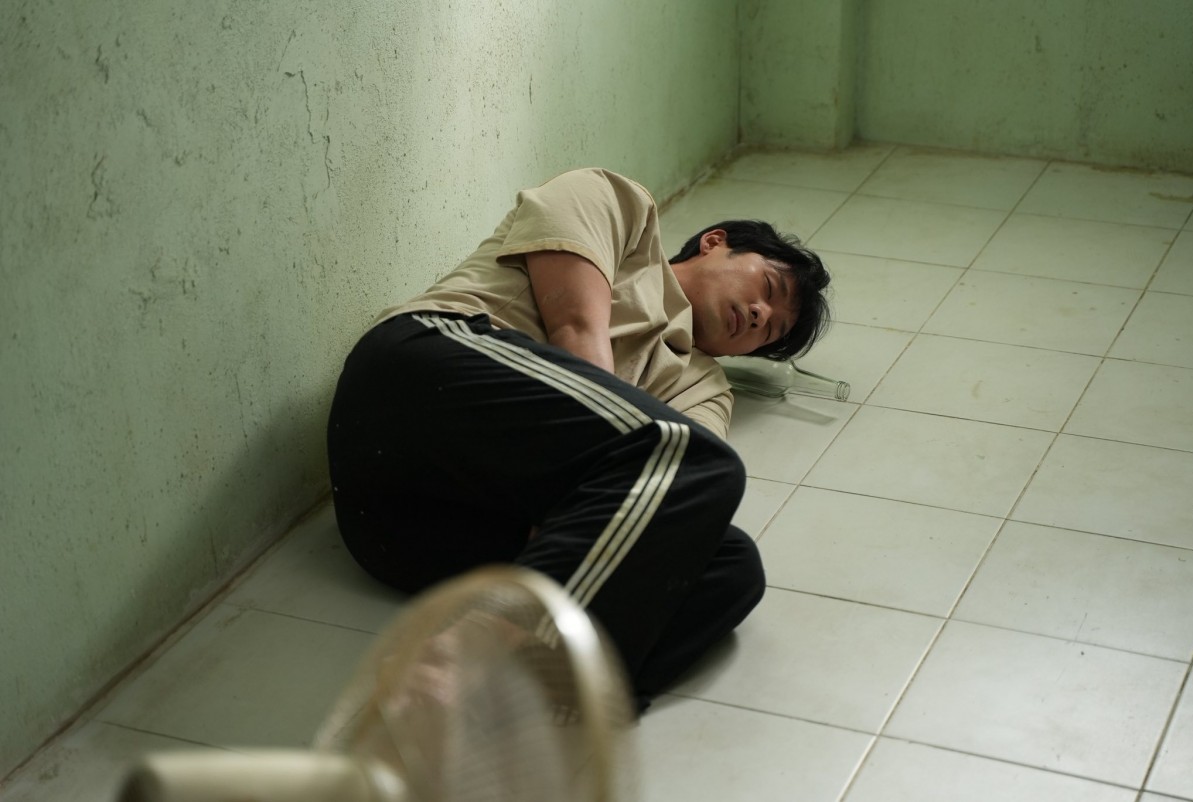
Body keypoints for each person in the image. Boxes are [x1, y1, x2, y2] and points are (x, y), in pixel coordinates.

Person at [327, 167, 831, 711]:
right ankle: (467, 657)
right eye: (768, 290)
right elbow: (576, 327)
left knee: (732, 567)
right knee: (691, 460)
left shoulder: (703, 386)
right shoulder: (619, 206)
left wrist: (589, 507)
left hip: (410, 531)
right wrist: (582, 492)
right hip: (419, 384)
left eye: (768, 331)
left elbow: (674, 505)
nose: (758, 315)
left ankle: (542, 702)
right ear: (715, 243)